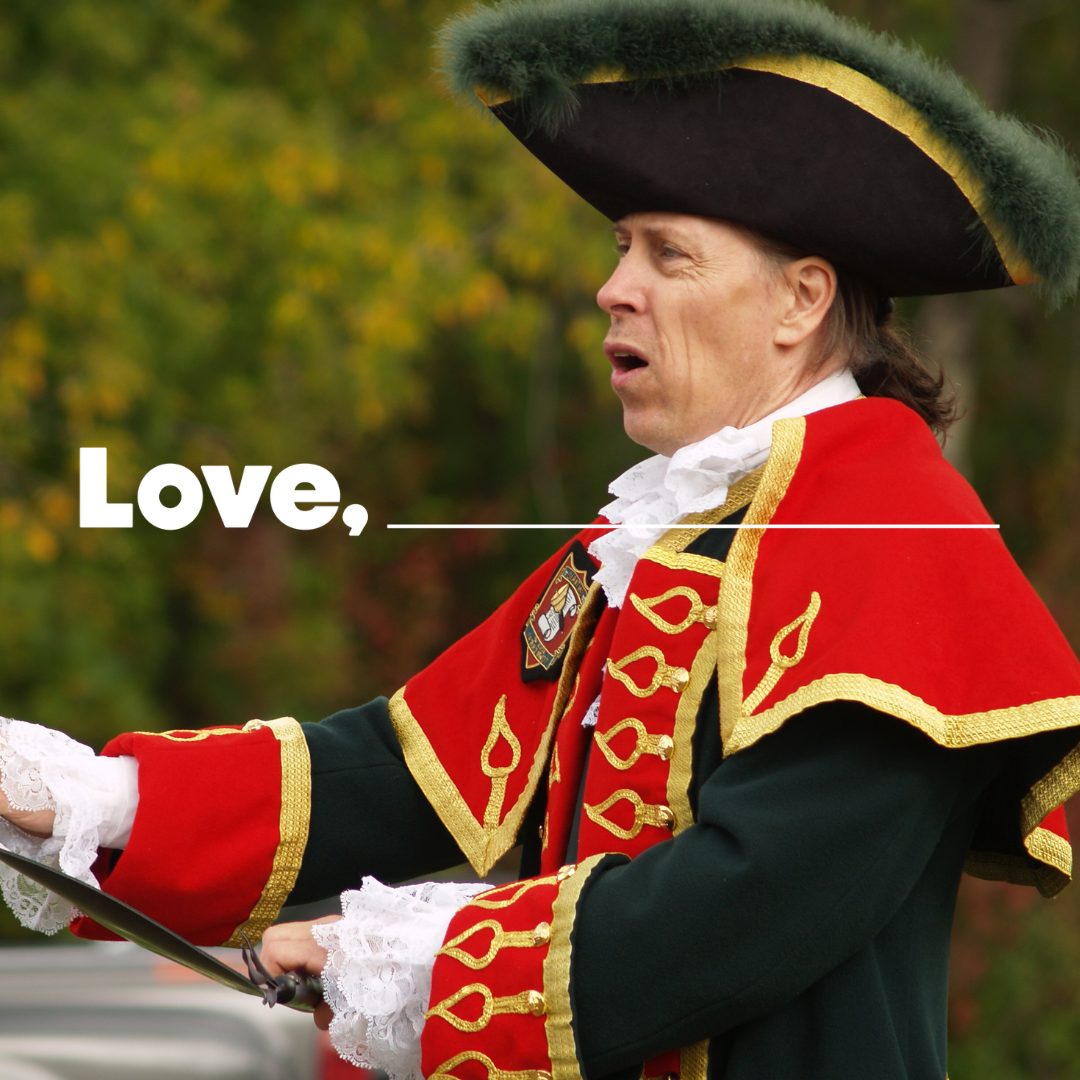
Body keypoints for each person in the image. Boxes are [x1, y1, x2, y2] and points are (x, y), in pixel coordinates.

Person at [2, 1, 1080, 1078]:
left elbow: (760, 905)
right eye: (621, 249)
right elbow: (409, 766)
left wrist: (423, 958)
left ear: (800, 300)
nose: (614, 288)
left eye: (669, 255)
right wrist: (100, 804)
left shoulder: (897, 538)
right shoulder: (661, 531)